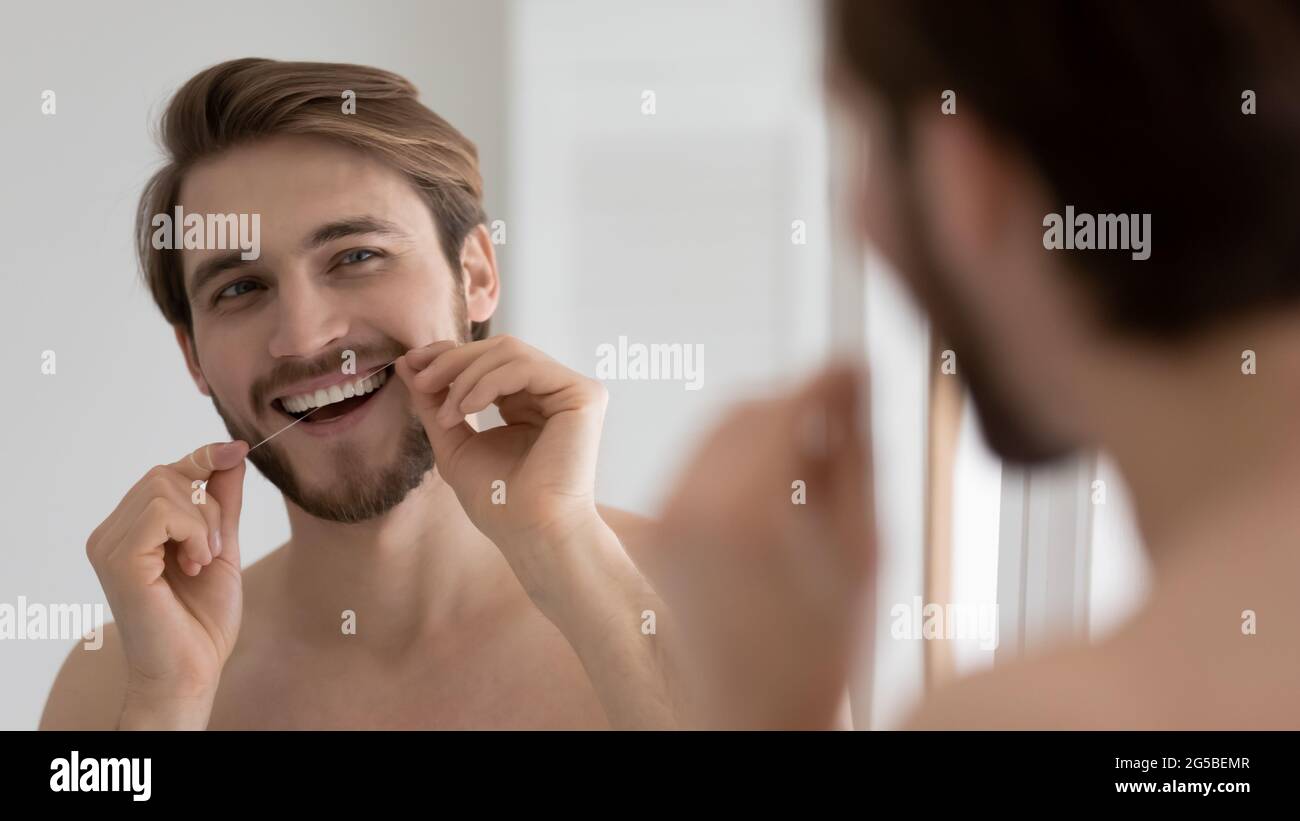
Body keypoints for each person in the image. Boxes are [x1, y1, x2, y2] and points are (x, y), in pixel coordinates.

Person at [40, 58, 695, 729]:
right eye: (240, 288)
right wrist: (164, 705)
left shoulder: (726, 597)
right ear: (193, 355)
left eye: (356, 256)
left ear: (474, 274)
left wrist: (570, 557)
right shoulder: (116, 683)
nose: (303, 336)